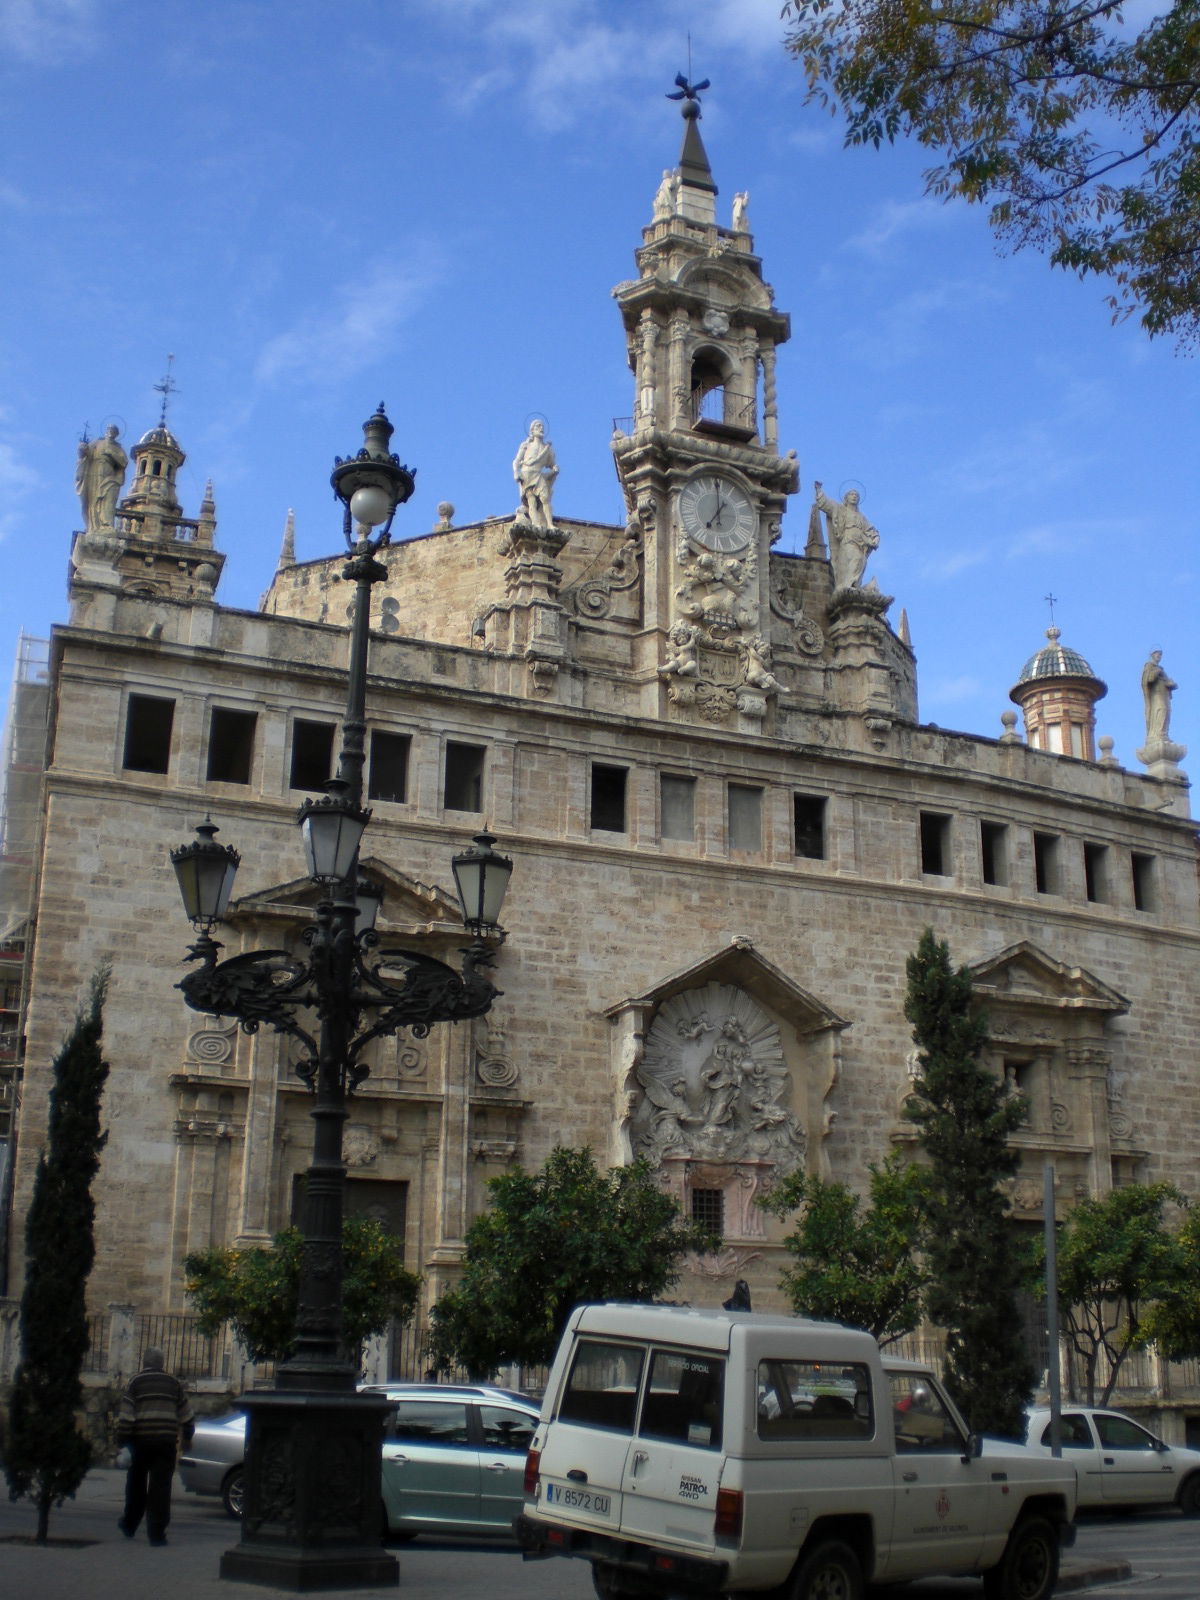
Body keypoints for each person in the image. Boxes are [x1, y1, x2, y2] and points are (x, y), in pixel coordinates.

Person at [116, 1346, 194, 1546]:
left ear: (144, 1363)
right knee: (161, 1488)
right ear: (162, 1364)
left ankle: (130, 1524)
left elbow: (126, 1416)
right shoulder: (173, 1383)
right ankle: (157, 1534)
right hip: (166, 1442)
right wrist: (187, 1436)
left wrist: (122, 1442)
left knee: (135, 1485)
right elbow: (186, 1413)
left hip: (140, 1441)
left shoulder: (135, 1382)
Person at [814, 481, 879, 590]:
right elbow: (826, 504)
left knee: (860, 562)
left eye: (856, 495)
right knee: (855, 560)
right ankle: (847, 586)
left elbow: (871, 530)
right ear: (846, 498)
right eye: (852, 494)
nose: (854, 496)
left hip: (860, 543)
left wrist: (875, 538)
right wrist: (819, 490)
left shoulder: (862, 517)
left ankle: (853, 585)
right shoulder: (840, 510)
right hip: (848, 541)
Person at [75, 424, 128, 532]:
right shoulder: (97, 443)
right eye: (110, 430)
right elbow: (85, 455)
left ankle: (106, 524)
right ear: (107, 431)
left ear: (116, 434)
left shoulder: (118, 448)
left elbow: (123, 462)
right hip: (94, 474)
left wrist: (111, 453)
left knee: (108, 499)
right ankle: (94, 526)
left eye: (114, 431)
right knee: (93, 499)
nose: (111, 432)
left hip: (110, 477)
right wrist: (82, 451)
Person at [513, 419, 558, 531]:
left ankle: (550, 524)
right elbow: (516, 461)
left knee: (545, 498)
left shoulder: (547, 449)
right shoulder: (526, 445)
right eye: (538, 426)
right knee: (531, 501)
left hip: (538, 475)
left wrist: (555, 469)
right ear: (532, 430)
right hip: (527, 474)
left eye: (542, 426)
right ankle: (536, 524)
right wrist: (516, 473)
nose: (541, 428)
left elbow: (552, 464)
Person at [1141, 649, 1176, 744]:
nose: (1159, 656)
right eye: (1158, 654)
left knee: (1167, 712)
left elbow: (1166, 680)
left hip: (1164, 694)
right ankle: (1157, 733)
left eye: (1161, 654)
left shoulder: (1161, 669)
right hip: (1156, 695)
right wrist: (1157, 671)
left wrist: (1171, 684)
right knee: (1161, 710)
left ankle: (1164, 734)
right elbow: (1149, 679)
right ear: (1152, 655)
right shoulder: (1149, 666)